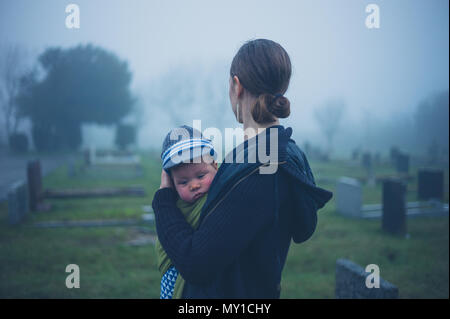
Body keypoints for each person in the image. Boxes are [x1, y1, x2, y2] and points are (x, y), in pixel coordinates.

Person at [152, 39, 333, 298]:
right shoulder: (276, 152)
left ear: (236, 86)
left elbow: (197, 264)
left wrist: (163, 201)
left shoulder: (261, 169)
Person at [155, 125, 218, 299]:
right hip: (174, 276)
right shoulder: (173, 207)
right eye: (183, 182)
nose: (194, 185)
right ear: (171, 184)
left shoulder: (220, 199)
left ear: (215, 166)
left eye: (201, 176)